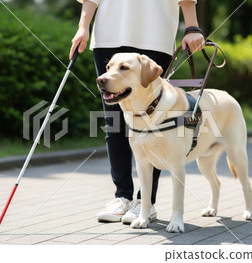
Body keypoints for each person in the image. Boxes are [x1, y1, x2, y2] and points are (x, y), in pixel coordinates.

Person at [70, 0, 205, 224]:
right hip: (109, 34)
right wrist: (83, 26)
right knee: (115, 121)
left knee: (157, 125)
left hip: (156, 35)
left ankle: (145, 203)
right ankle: (122, 196)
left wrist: (192, 26)